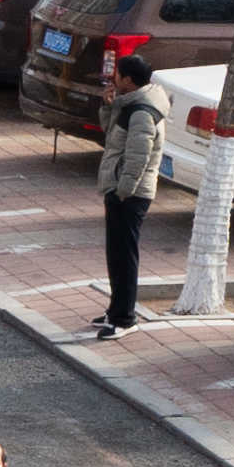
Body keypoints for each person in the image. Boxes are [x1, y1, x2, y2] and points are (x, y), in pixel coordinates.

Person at [90, 51, 165, 339]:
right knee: (116, 253)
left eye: (117, 75)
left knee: (124, 256)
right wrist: (109, 107)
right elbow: (112, 135)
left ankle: (124, 318)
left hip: (130, 194)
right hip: (121, 189)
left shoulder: (143, 112)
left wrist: (122, 192)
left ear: (129, 80)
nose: (113, 78)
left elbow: (138, 157)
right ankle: (115, 309)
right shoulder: (131, 104)